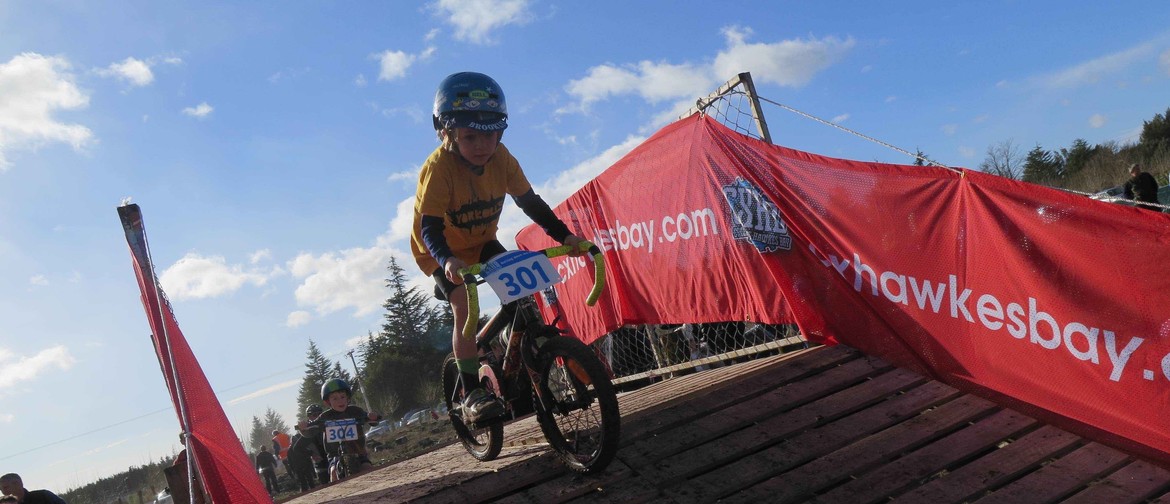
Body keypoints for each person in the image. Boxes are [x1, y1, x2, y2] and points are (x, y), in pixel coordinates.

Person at [410, 71, 585, 423]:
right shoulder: (439, 167)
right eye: (470, 135)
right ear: (446, 132)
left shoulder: (502, 159)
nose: (482, 145)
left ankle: (511, 350)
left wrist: (564, 236)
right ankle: (472, 390)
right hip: (439, 251)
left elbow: (530, 203)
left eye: (491, 134)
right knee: (464, 305)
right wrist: (446, 260)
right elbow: (430, 226)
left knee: (524, 294)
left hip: (482, 241)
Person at [297, 378, 380, 482]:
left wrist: (373, 417)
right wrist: (303, 427)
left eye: (342, 397)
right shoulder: (325, 416)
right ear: (328, 402)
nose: (340, 401)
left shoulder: (355, 411)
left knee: (367, 468)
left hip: (358, 451)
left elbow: (370, 420)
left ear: (347, 398)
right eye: (335, 399)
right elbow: (310, 431)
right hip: (334, 454)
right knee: (333, 473)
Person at [287, 424, 322, 492]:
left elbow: (290, 462)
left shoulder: (290, 451)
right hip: (305, 465)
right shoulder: (300, 447)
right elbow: (308, 454)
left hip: (298, 468)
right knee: (310, 480)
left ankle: (305, 492)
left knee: (303, 482)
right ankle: (313, 491)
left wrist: (293, 470)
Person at [304, 404, 330, 485]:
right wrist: (311, 453)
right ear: (309, 417)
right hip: (321, 464)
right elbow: (298, 448)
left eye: (320, 413)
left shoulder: (327, 424)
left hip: (333, 457)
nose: (318, 416)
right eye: (314, 415)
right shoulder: (307, 431)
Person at [0, 473, 66, 504]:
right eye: (1, 489)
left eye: (5, 487)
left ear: (18, 484)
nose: (3, 492)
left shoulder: (43, 496)